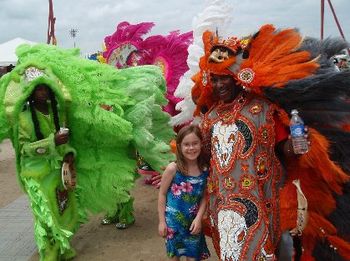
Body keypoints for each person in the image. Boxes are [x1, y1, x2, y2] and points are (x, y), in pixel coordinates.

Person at [188, 25, 350, 260]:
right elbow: (205, 158)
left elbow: (282, 147)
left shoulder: (262, 109)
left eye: (224, 78)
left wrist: (295, 146)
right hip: (222, 204)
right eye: (215, 79)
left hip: (261, 201)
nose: (220, 85)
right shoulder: (209, 117)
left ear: (236, 77)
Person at [18, 83, 78, 260]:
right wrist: (52, 142)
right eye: (38, 89)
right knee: (46, 215)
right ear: (31, 92)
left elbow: (67, 141)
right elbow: (24, 149)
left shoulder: (58, 113)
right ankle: (49, 254)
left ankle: (62, 248)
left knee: (61, 211)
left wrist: (68, 154)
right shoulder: (24, 118)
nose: (42, 93)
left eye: (45, 89)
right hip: (36, 174)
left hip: (58, 171)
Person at [158, 125, 210, 260]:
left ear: (201, 144)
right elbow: (162, 194)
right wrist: (162, 222)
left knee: (193, 256)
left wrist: (199, 219)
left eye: (195, 143)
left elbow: (204, 196)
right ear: (180, 146)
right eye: (187, 144)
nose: (191, 148)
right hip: (173, 224)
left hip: (193, 223)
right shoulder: (173, 169)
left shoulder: (205, 169)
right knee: (175, 257)